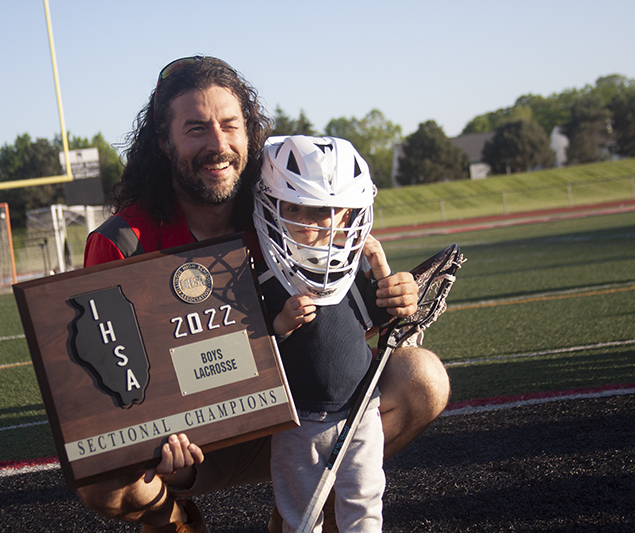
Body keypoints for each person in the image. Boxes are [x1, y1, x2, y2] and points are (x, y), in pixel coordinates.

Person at [79, 56, 450, 533]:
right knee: (102, 477)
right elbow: (104, 390)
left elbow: (345, 339)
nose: (218, 144)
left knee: (422, 378)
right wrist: (158, 431)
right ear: (162, 140)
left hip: (296, 420)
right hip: (189, 439)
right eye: (195, 128)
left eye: (229, 125)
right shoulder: (122, 240)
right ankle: (171, 521)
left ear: (249, 131)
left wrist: (395, 298)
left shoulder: (287, 209)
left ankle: (308, 511)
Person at [254, 135, 392, 532]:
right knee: (300, 512)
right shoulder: (267, 274)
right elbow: (252, 346)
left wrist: (380, 265)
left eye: (322, 213)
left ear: (348, 215)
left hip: (362, 408)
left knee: (365, 498)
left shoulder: (349, 268)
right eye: (296, 209)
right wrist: (280, 325)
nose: (309, 226)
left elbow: (383, 316)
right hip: (296, 419)